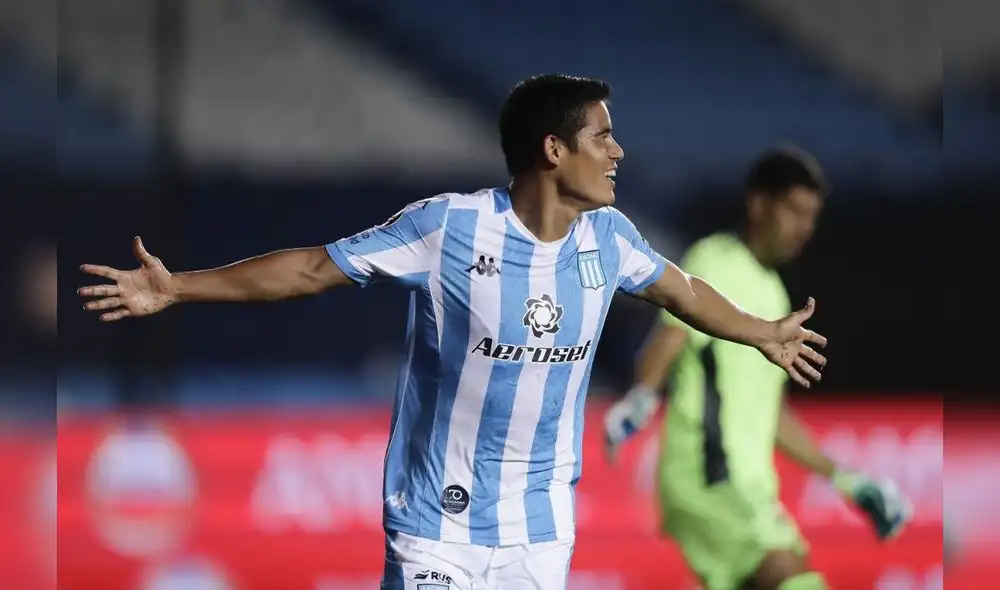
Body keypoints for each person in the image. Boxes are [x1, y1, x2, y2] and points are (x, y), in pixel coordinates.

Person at [78, 75, 828, 590]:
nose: (618, 152)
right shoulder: (449, 228)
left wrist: (761, 331)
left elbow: (682, 291)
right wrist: (180, 286)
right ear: (554, 150)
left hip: (539, 532)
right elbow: (309, 269)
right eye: (603, 136)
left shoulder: (610, 238)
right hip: (438, 525)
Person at [602, 148, 910, 590]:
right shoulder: (715, 260)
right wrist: (641, 396)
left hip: (749, 488)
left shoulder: (774, 294)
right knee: (790, 577)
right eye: (794, 211)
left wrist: (847, 479)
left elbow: (771, 415)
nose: (805, 228)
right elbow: (670, 337)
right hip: (710, 476)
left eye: (812, 216)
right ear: (759, 204)